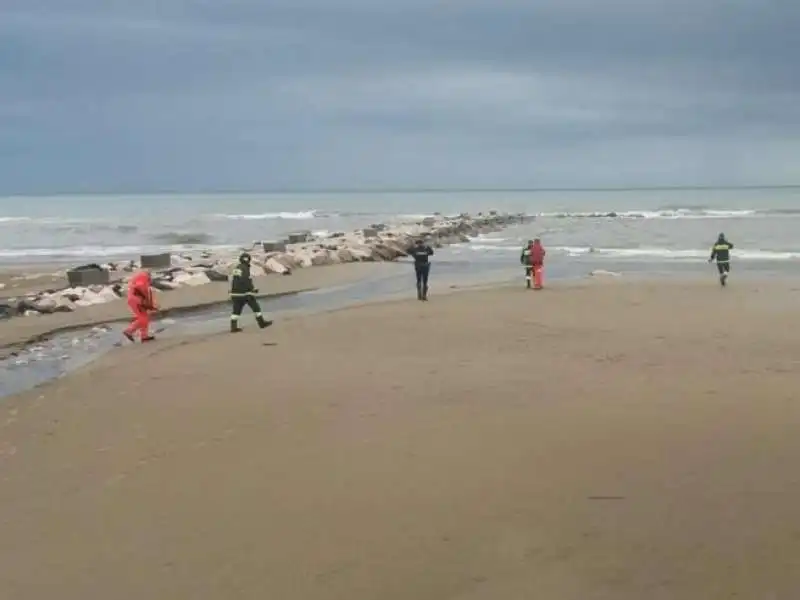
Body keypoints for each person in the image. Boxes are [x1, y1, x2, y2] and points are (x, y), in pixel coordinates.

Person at [230, 252, 272, 332]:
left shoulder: (237, 268)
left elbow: (236, 281)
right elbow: (246, 280)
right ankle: (261, 323)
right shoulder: (245, 268)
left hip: (235, 293)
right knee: (256, 307)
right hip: (245, 294)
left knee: (236, 311)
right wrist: (252, 289)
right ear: (248, 260)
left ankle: (233, 327)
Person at [123, 270, 158, 342]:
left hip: (136, 300)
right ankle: (129, 331)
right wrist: (147, 301)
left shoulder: (139, 277)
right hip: (136, 300)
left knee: (145, 317)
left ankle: (144, 336)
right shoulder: (143, 277)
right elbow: (141, 287)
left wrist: (149, 303)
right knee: (143, 318)